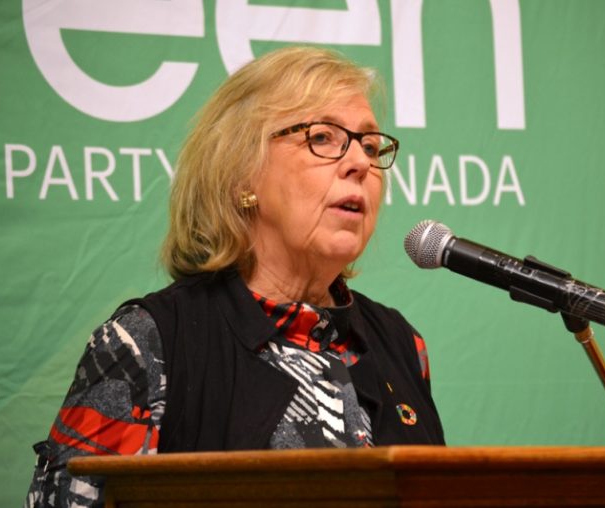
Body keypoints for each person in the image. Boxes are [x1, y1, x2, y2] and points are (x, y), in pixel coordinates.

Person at [24, 46, 445, 507]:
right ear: (242, 172)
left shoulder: (402, 344)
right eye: (323, 137)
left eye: (370, 146)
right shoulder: (148, 344)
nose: (361, 164)